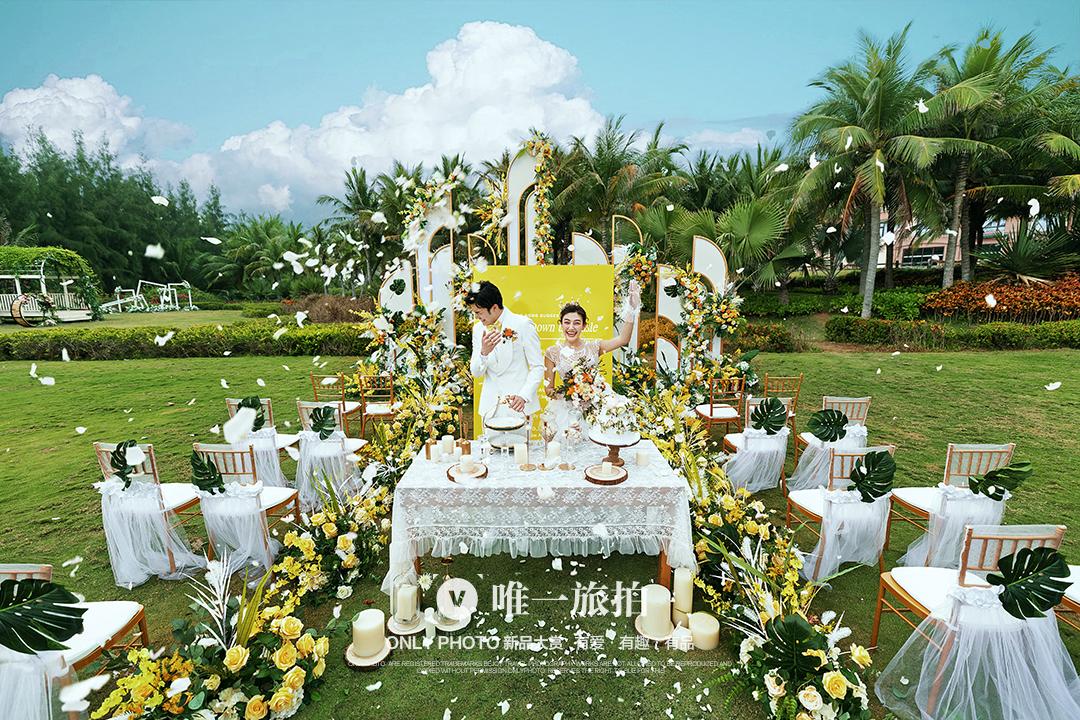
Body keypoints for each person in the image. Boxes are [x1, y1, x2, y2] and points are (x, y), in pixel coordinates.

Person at [543, 280, 641, 399]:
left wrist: (631, 310)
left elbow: (623, 339)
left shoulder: (594, 347)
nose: (571, 327)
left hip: (595, 404)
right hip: (566, 406)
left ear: (584, 325)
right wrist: (572, 394)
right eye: (567, 322)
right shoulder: (552, 352)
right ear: (561, 324)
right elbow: (548, 389)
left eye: (576, 323)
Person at [467, 280, 543, 418]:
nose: (477, 317)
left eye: (479, 312)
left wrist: (523, 396)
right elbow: (476, 373)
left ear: (494, 307)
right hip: (490, 409)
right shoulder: (478, 329)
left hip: (518, 407)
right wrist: (483, 353)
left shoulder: (523, 324)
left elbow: (537, 367)